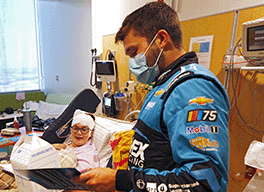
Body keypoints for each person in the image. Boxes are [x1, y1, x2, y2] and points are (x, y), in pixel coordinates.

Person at [73, 2, 229, 192]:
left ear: (162, 39)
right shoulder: (162, 84)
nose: (132, 63)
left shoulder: (193, 89)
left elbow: (206, 182)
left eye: (134, 52)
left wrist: (120, 180)